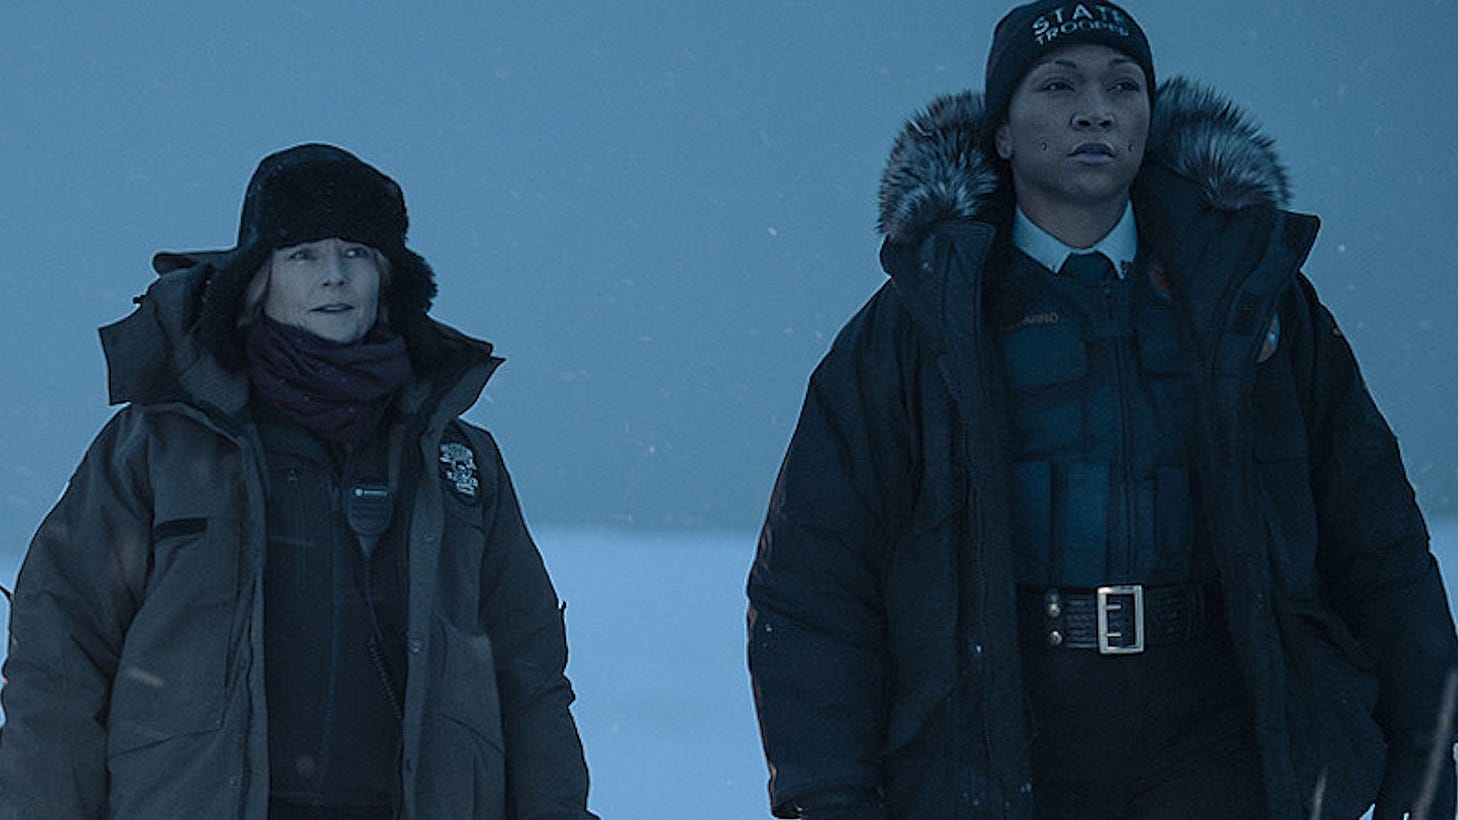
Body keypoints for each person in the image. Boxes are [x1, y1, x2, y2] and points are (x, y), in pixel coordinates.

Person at [746, 2, 1458, 818]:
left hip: (1225, 737)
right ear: (1002, 132)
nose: (1097, 109)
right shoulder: (920, 326)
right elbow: (813, 582)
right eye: (1058, 86)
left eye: (1123, 86)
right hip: (1000, 740)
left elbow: (1378, 539)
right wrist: (828, 795)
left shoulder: (1251, 303)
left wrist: (1427, 753)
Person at [0, 143, 597, 820]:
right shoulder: (161, 445)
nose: (334, 276)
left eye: (357, 253)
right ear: (258, 279)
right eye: (303, 255)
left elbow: (529, 676)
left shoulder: (457, 462)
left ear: (387, 279)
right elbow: (60, 652)